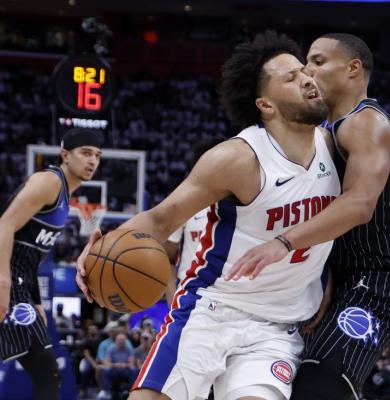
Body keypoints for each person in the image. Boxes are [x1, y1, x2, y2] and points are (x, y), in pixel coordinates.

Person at [76, 31, 339, 400]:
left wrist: (329, 278)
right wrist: (101, 246)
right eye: (291, 77)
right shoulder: (237, 159)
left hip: (278, 328)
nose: (307, 79)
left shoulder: (337, 147)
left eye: (305, 71)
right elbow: (161, 219)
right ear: (265, 104)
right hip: (210, 310)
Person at [227, 33, 390, 399]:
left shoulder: (365, 123)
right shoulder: (320, 132)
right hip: (328, 280)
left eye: (317, 61)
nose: (307, 71)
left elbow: (359, 205)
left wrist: (283, 243)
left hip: (375, 282)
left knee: (321, 384)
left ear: (353, 68)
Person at [0, 128, 102, 400]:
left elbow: (29, 256)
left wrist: (35, 300)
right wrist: (3, 281)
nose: (92, 160)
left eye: (97, 155)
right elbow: (5, 224)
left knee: (47, 372)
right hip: (8, 279)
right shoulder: (50, 181)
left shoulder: (65, 198)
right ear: (65, 155)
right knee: (46, 372)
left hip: (20, 284)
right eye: (86, 153)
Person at [164, 138, 224, 304]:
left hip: (229, 297)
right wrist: (173, 300)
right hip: (191, 294)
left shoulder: (245, 205)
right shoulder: (183, 205)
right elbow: (166, 257)